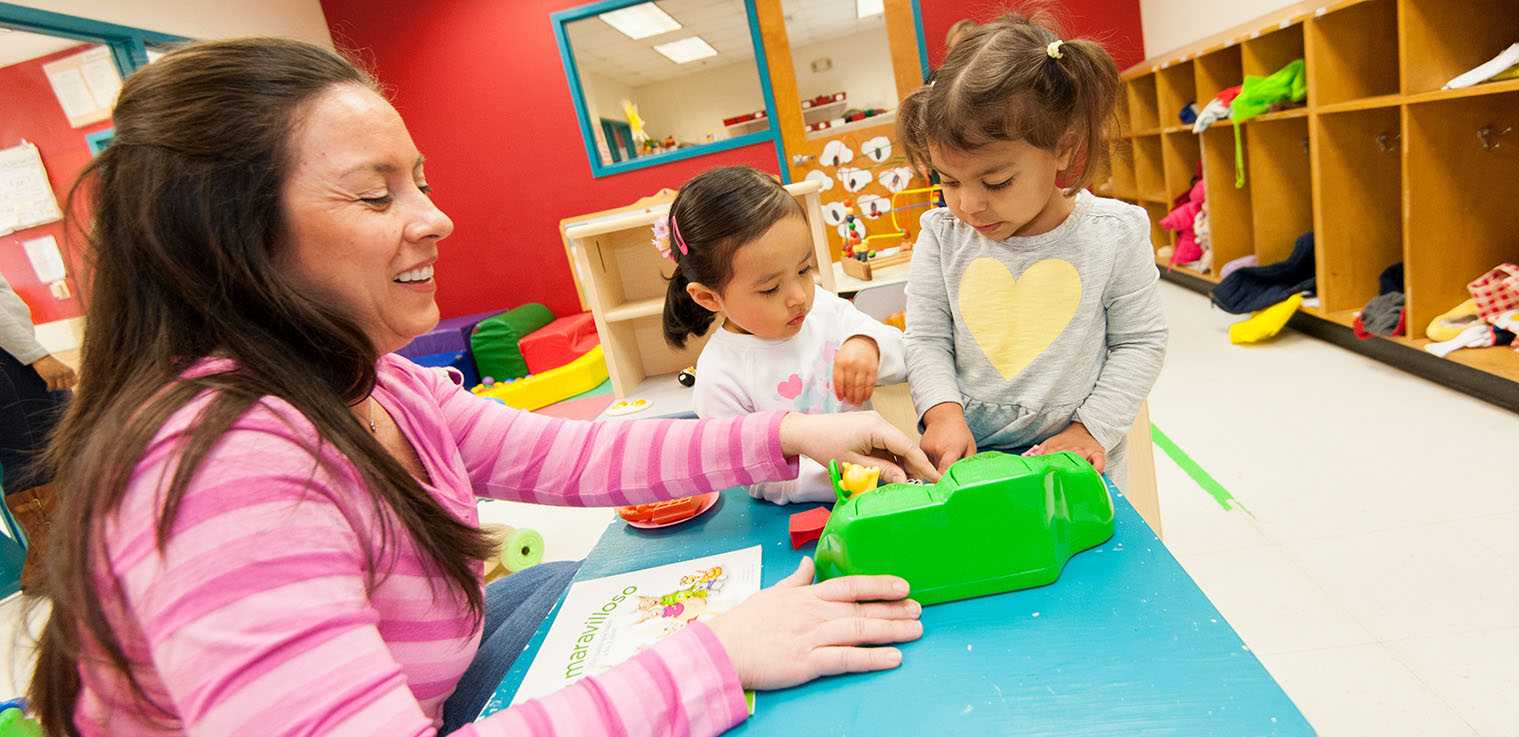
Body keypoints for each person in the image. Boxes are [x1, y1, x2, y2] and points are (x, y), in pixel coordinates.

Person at [28, 38, 936, 737]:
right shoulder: (224, 463)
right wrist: (717, 658)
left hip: (436, 679)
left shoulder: (376, 380)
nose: (437, 218)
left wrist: (789, 435)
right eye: (376, 195)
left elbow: (571, 453)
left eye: (419, 182)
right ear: (235, 239)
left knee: (578, 582)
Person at [898, 13, 1168, 483]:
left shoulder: (1114, 233)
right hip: (970, 459)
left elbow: (1140, 342)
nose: (969, 204)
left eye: (997, 181)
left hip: (1074, 458)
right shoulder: (942, 236)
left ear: (1063, 148)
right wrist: (942, 413)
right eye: (949, 181)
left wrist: (1090, 429)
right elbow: (926, 338)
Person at [661, 166, 907, 504]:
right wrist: (842, 477)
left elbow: (905, 356)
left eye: (804, 270)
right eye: (770, 288)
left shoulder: (823, 309)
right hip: (815, 510)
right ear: (708, 297)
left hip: (885, 492)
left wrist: (868, 344)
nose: (799, 297)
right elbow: (754, 478)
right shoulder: (719, 376)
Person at [1, 270, 75, 566]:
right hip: (11, 364)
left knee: (40, 456)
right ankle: (55, 567)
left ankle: (59, 563)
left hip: (13, 360)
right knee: (36, 460)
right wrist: (37, 356)